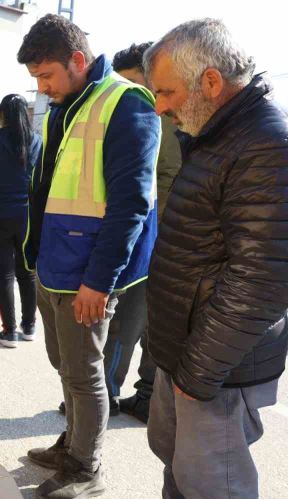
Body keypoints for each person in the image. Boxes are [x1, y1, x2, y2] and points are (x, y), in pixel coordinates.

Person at [144, 19, 288, 499]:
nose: (160, 107)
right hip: (185, 354)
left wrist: (199, 373)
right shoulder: (214, 134)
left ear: (210, 81)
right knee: (181, 474)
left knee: (213, 487)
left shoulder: (265, 144)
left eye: (166, 92)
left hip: (216, 369)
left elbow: (261, 282)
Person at [17, 14, 160, 498]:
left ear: (77, 61)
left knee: (85, 374)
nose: (41, 89)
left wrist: (99, 282)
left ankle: (85, 468)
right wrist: (34, 256)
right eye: (36, 80)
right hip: (55, 265)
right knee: (66, 367)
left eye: (46, 76)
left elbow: (130, 205)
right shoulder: (69, 103)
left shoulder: (126, 102)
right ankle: (72, 443)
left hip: (87, 273)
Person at [100, 42, 183, 423]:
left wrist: (149, 228)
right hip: (162, 236)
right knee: (150, 322)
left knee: (127, 322)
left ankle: (105, 393)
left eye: (132, 82)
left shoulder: (154, 116)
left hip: (155, 237)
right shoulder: (149, 111)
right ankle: (145, 395)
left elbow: (163, 178)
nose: (124, 91)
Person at [0, 94, 41, 347]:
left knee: (3, 274)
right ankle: (30, 326)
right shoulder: (37, 143)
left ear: (1, 114)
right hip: (28, 216)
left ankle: (10, 330)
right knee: (28, 273)